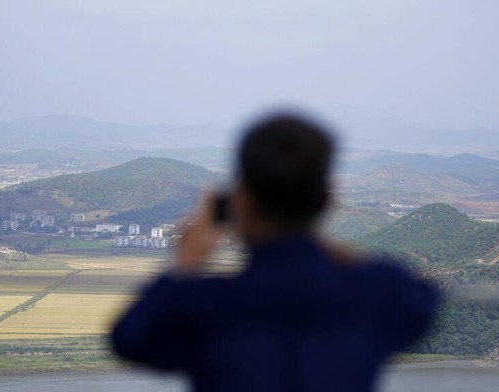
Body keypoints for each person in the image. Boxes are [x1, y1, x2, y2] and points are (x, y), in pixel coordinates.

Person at [111, 113, 439, 392]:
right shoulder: (372, 295)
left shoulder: (205, 306)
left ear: (241, 201)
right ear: (324, 199)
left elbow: (130, 338)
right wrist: (315, 237)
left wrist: (185, 264)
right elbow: (421, 302)